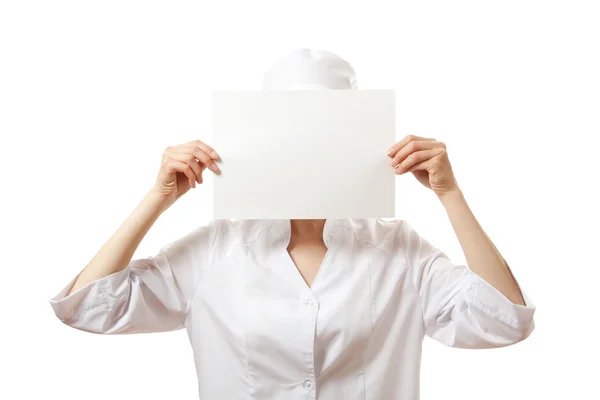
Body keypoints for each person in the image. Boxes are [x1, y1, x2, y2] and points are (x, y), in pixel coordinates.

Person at [49, 48, 536, 399]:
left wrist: (450, 195)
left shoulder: (398, 250)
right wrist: (157, 198)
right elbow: (89, 308)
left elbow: (504, 321)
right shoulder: (217, 249)